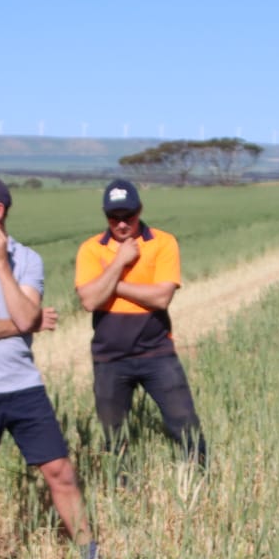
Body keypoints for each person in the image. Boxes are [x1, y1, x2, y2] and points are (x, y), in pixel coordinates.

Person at [0, 173, 97, 559]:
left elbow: (27, 311)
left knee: (60, 471)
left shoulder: (28, 259)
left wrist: (0, 265)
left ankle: (89, 556)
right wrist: (24, 325)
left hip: (23, 385)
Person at [74, 178, 207, 466]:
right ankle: (124, 491)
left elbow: (161, 298)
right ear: (105, 215)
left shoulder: (163, 242)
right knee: (114, 436)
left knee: (185, 424)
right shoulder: (91, 249)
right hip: (109, 356)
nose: (122, 225)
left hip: (157, 352)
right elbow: (89, 302)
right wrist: (120, 262)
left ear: (140, 210)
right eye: (114, 218)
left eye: (129, 217)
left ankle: (201, 483)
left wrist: (110, 283)